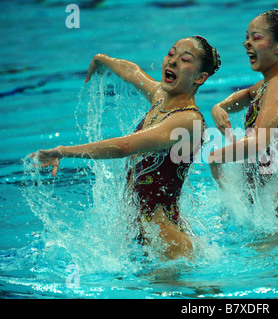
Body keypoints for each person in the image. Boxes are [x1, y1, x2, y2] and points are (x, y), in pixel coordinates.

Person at [33, 36, 221, 259]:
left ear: (200, 77)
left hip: (167, 241)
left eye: (185, 59)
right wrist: (103, 59)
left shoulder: (189, 120)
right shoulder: (160, 99)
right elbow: (132, 72)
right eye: (171, 54)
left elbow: (124, 146)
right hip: (142, 232)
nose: (172, 61)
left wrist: (63, 151)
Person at [209, 9, 278, 229]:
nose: (246, 43)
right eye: (246, 37)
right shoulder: (270, 84)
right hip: (274, 197)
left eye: (256, 38)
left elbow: (258, 143)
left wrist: (216, 157)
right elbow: (247, 95)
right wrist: (219, 107)